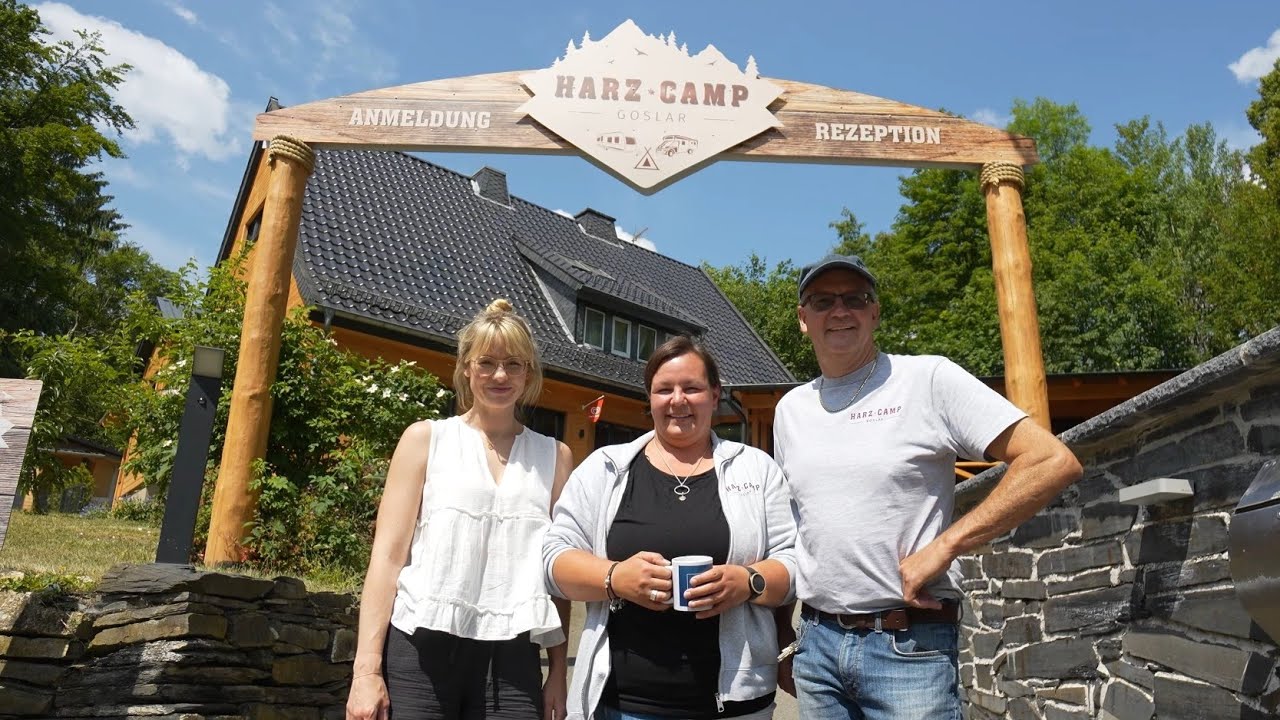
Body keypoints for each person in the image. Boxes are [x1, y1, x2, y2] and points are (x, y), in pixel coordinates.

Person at [773, 254, 1083, 719]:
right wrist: (786, 640)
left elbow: (1050, 460)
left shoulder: (927, 379)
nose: (840, 311)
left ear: (874, 311)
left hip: (907, 647)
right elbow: (797, 531)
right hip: (818, 647)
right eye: (822, 300)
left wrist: (947, 545)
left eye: (854, 298)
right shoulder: (790, 410)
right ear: (803, 319)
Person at [544, 336, 797, 720]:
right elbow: (553, 560)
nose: (677, 400)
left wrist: (747, 582)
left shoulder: (757, 469)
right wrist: (616, 578)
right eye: (664, 389)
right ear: (650, 399)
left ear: (715, 395)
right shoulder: (607, 468)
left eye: (692, 388)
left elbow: (796, 562)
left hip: (734, 705)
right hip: (624, 703)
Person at [346, 298, 573, 720]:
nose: (500, 375)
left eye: (514, 364)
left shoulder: (555, 456)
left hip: (514, 656)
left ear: (529, 372)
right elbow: (387, 557)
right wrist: (366, 671)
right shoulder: (425, 439)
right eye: (487, 362)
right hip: (422, 650)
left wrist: (558, 671)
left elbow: (556, 571)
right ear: (466, 367)